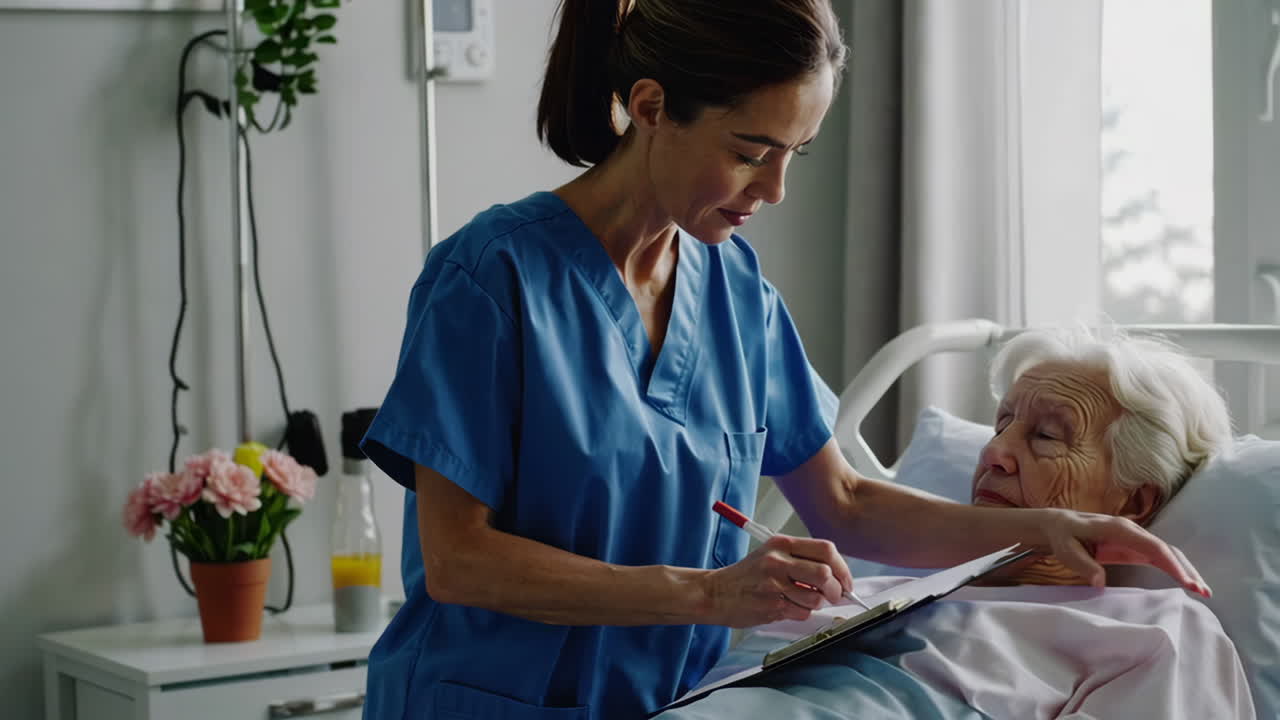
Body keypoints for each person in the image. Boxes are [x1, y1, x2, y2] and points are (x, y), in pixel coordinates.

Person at [358, 2, 1210, 717]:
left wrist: (1041, 531)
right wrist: (709, 593)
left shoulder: (733, 289)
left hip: (671, 704)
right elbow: (460, 562)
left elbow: (843, 501)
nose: (774, 191)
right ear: (651, 106)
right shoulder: (490, 278)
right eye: (749, 151)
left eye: (793, 155)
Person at [969, 327, 1232, 586]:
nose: (992, 452)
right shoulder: (928, 569)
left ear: (1133, 503)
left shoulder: (1153, 625)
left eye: (1046, 436)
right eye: (1001, 428)